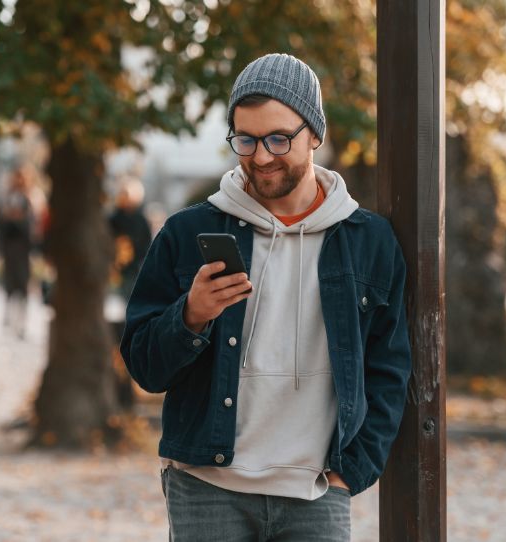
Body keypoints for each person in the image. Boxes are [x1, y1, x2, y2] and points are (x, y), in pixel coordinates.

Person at [121, 53, 412, 541]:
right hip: (205, 486)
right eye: (246, 139)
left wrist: (352, 472)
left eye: (279, 138)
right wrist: (190, 317)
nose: (261, 156)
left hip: (316, 491)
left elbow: (390, 367)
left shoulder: (369, 242)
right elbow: (144, 367)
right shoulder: (188, 232)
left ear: (315, 134)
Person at [0, 167, 35, 339]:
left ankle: (22, 323)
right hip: (10, 248)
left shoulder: (29, 199)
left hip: (23, 249)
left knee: (23, 287)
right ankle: (9, 319)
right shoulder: (5, 199)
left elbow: (32, 225)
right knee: (9, 287)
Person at [107, 177, 152, 301]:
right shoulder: (114, 218)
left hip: (135, 266)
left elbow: (147, 243)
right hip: (116, 266)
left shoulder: (141, 219)